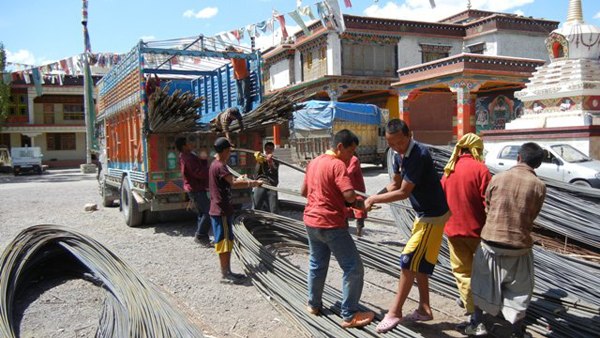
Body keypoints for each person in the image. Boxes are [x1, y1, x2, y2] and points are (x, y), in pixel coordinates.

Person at [364, 119, 449, 333]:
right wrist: (374, 196)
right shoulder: (396, 154)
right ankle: (424, 309)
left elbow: (403, 192)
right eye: (392, 144)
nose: (397, 148)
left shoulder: (418, 153)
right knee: (419, 264)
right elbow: (394, 183)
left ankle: (394, 312)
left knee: (407, 261)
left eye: (400, 143)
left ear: (408, 135)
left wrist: (374, 200)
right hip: (423, 215)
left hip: (433, 215)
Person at [467, 142, 546, 338]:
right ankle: (516, 332)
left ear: (518, 157)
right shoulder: (539, 186)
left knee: (481, 284)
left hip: (490, 243)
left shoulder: (498, 178)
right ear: (537, 165)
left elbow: (488, 206)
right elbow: (532, 215)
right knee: (519, 290)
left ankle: (477, 323)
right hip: (518, 247)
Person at [301, 129, 375, 329]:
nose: (352, 157)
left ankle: (313, 305)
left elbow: (303, 192)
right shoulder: (337, 165)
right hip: (331, 224)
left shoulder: (314, 162)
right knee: (353, 268)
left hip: (311, 222)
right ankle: (350, 314)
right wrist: (361, 203)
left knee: (317, 263)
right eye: (351, 152)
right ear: (340, 147)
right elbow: (350, 195)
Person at [440, 133, 492, 331]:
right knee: (483, 274)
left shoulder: (448, 171)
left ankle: (474, 316)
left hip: (453, 231)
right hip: (479, 232)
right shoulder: (481, 169)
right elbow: (489, 203)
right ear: (476, 149)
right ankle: (481, 314)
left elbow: (441, 200)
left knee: (463, 274)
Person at [209, 137, 263, 285]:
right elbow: (233, 184)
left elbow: (229, 181)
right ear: (225, 151)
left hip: (218, 209)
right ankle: (226, 273)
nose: (230, 153)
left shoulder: (215, 164)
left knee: (224, 241)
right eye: (229, 150)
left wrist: (240, 178)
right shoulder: (220, 166)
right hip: (221, 211)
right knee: (224, 242)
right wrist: (253, 183)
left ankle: (227, 271)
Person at [176, 137, 212, 248]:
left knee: (202, 212)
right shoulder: (188, 158)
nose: (192, 143)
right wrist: (211, 169)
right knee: (209, 212)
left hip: (195, 188)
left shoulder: (188, 156)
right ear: (184, 146)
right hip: (195, 188)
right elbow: (198, 173)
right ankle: (200, 235)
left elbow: (198, 167)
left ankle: (203, 237)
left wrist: (203, 159)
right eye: (189, 142)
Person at [253, 141, 279, 213]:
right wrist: (259, 161)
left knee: (273, 209)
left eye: (271, 149)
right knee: (256, 206)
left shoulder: (275, 159)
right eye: (267, 149)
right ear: (265, 149)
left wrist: (270, 162)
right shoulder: (261, 158)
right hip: (261, 183)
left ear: (273, 150)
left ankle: (273, 223)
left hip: (271, 184)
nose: (269, 151)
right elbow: (256, 173)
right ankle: (253, 222)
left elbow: (274, 170)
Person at [227, 45, 252, 114]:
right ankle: (242, 109)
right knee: (240, 96)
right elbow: (221, 53)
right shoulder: (231, 57)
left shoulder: (239, 53)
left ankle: (245, 110)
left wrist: (235, 51)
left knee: (245, 94)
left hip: (244, 76)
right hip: (237, 78)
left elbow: (241, 50)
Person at [346, 155, 367, 237]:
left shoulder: (354, 159)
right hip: (347, 189)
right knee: (345, 211)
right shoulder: (340, 160)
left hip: (358, 191)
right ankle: (345, 231)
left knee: (359, 211)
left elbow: (349, 173)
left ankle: (359, 233)